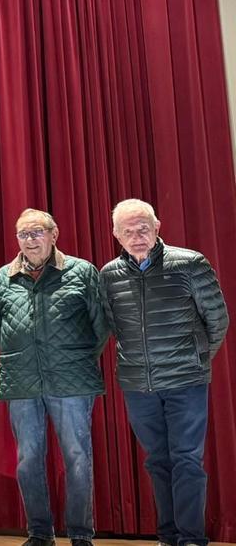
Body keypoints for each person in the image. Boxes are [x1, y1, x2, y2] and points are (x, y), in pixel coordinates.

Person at [100, 199, 229, 546]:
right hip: (138, 385)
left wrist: (197, 360)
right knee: (157, 461)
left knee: (186, 459)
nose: (137, 235)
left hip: (186, 382)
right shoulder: (108, 274)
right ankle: (167, 536)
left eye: (143, 227)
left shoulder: (190, 263)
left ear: (157, 227)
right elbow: (114, 326)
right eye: (128, 230)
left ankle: (190, 538)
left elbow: (217, 320)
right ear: (116, 234)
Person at [0, 209, 106, 546]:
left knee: (78, 457)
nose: (30, 240)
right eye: (23, 234)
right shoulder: (2, 278)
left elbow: (100, 326)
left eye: (37, 232)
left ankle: (81, 534)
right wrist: (26, 356)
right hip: (22, 381)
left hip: (73, 380)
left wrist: (73, 359)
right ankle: (40, 533)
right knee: (28, 459)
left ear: (54, 234)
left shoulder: (82, 272)